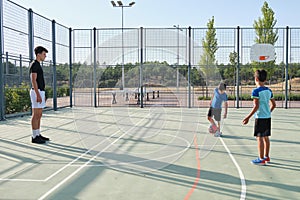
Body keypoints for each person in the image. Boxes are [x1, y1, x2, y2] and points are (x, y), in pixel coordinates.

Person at [242, 69, 276, 165]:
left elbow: (256, 106)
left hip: (260, 117)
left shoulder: (256, 91)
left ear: (256, 79)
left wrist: (248, 117)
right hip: (267, 117)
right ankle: (266, 157)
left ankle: (261, 159)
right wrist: (268, 112)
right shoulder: (269, 91)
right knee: (266, 137)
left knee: (259, 138)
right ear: (265, 80)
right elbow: (274, 104)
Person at [29, 46, 50, 144]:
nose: (45, 56)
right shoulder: (34, 65)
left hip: (40, 91)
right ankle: (34, 136)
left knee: (39, 114)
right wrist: (37, 94)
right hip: (36, 92)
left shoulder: (38, 65)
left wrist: (42, 94)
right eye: (44, 54)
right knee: (36, 114)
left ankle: (38, 134)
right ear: (38, 54)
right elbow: (33, 80)